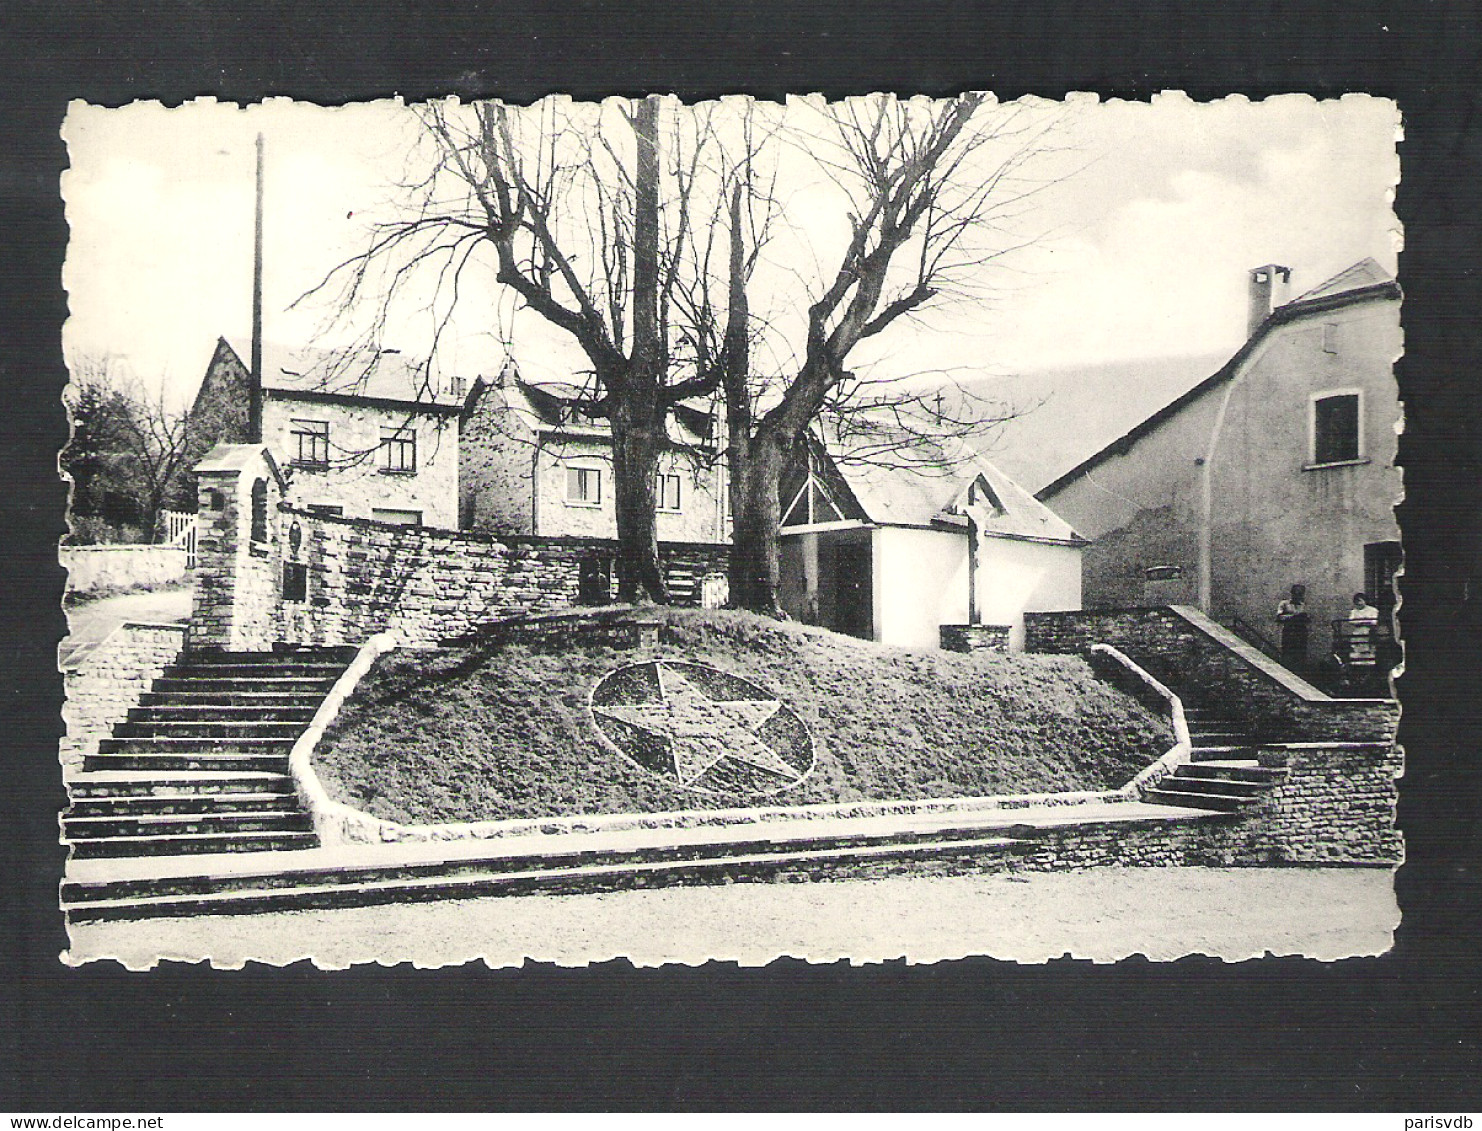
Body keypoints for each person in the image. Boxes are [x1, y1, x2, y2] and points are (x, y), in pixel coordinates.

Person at [1276, 583, 1310, 669]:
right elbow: (1279, 617)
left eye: (1300, 594)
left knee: (1300, 653)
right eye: (1296, 593)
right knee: (1287, 653)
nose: (1298, 596)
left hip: (1301, 631)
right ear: (1292, 593)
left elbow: (1308, 619)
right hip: (1289, 631)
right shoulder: (1284, 604)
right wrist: (1293, 617)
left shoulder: (1303, 605)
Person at [1347, 591, 1379, 664]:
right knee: (1357, 648)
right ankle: (1357, 664)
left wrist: (1362, 622)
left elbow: (1373, 622)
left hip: (1369, 632)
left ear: (1365, 600)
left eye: (1360, 601)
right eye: (1356, 601)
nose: (1359, 603)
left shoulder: (1373, 610)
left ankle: (1369, 665)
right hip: (1358, 632)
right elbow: (1351, 621)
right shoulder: (1354, 611)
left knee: (1368, 650)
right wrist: (1363, 621)